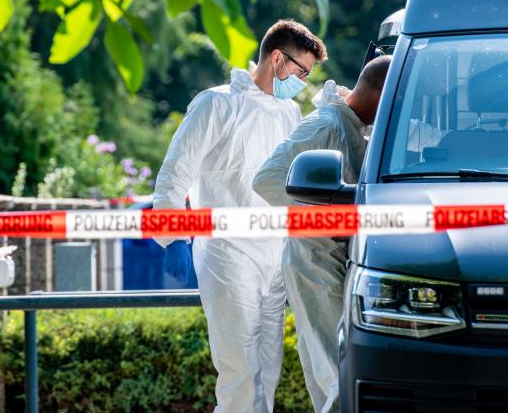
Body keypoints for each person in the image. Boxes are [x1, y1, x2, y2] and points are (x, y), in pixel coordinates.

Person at [153, 20, 327, 413]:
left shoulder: (287, 112)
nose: (302, 81)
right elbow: (175, 171)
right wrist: (173, 236)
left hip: (274, 255)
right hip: (227, 253)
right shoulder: (217, 103)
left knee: (268, 368)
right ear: (277, 58)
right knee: (239, 372)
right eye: (301, 72)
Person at [252, 55, 393, 413]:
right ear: (381, 95)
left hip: (334, 262)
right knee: (337, 371)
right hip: (314, 262)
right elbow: (266, 179)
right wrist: (326, 218)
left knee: (327, 374)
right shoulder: (325, 125)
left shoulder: (356, 128)